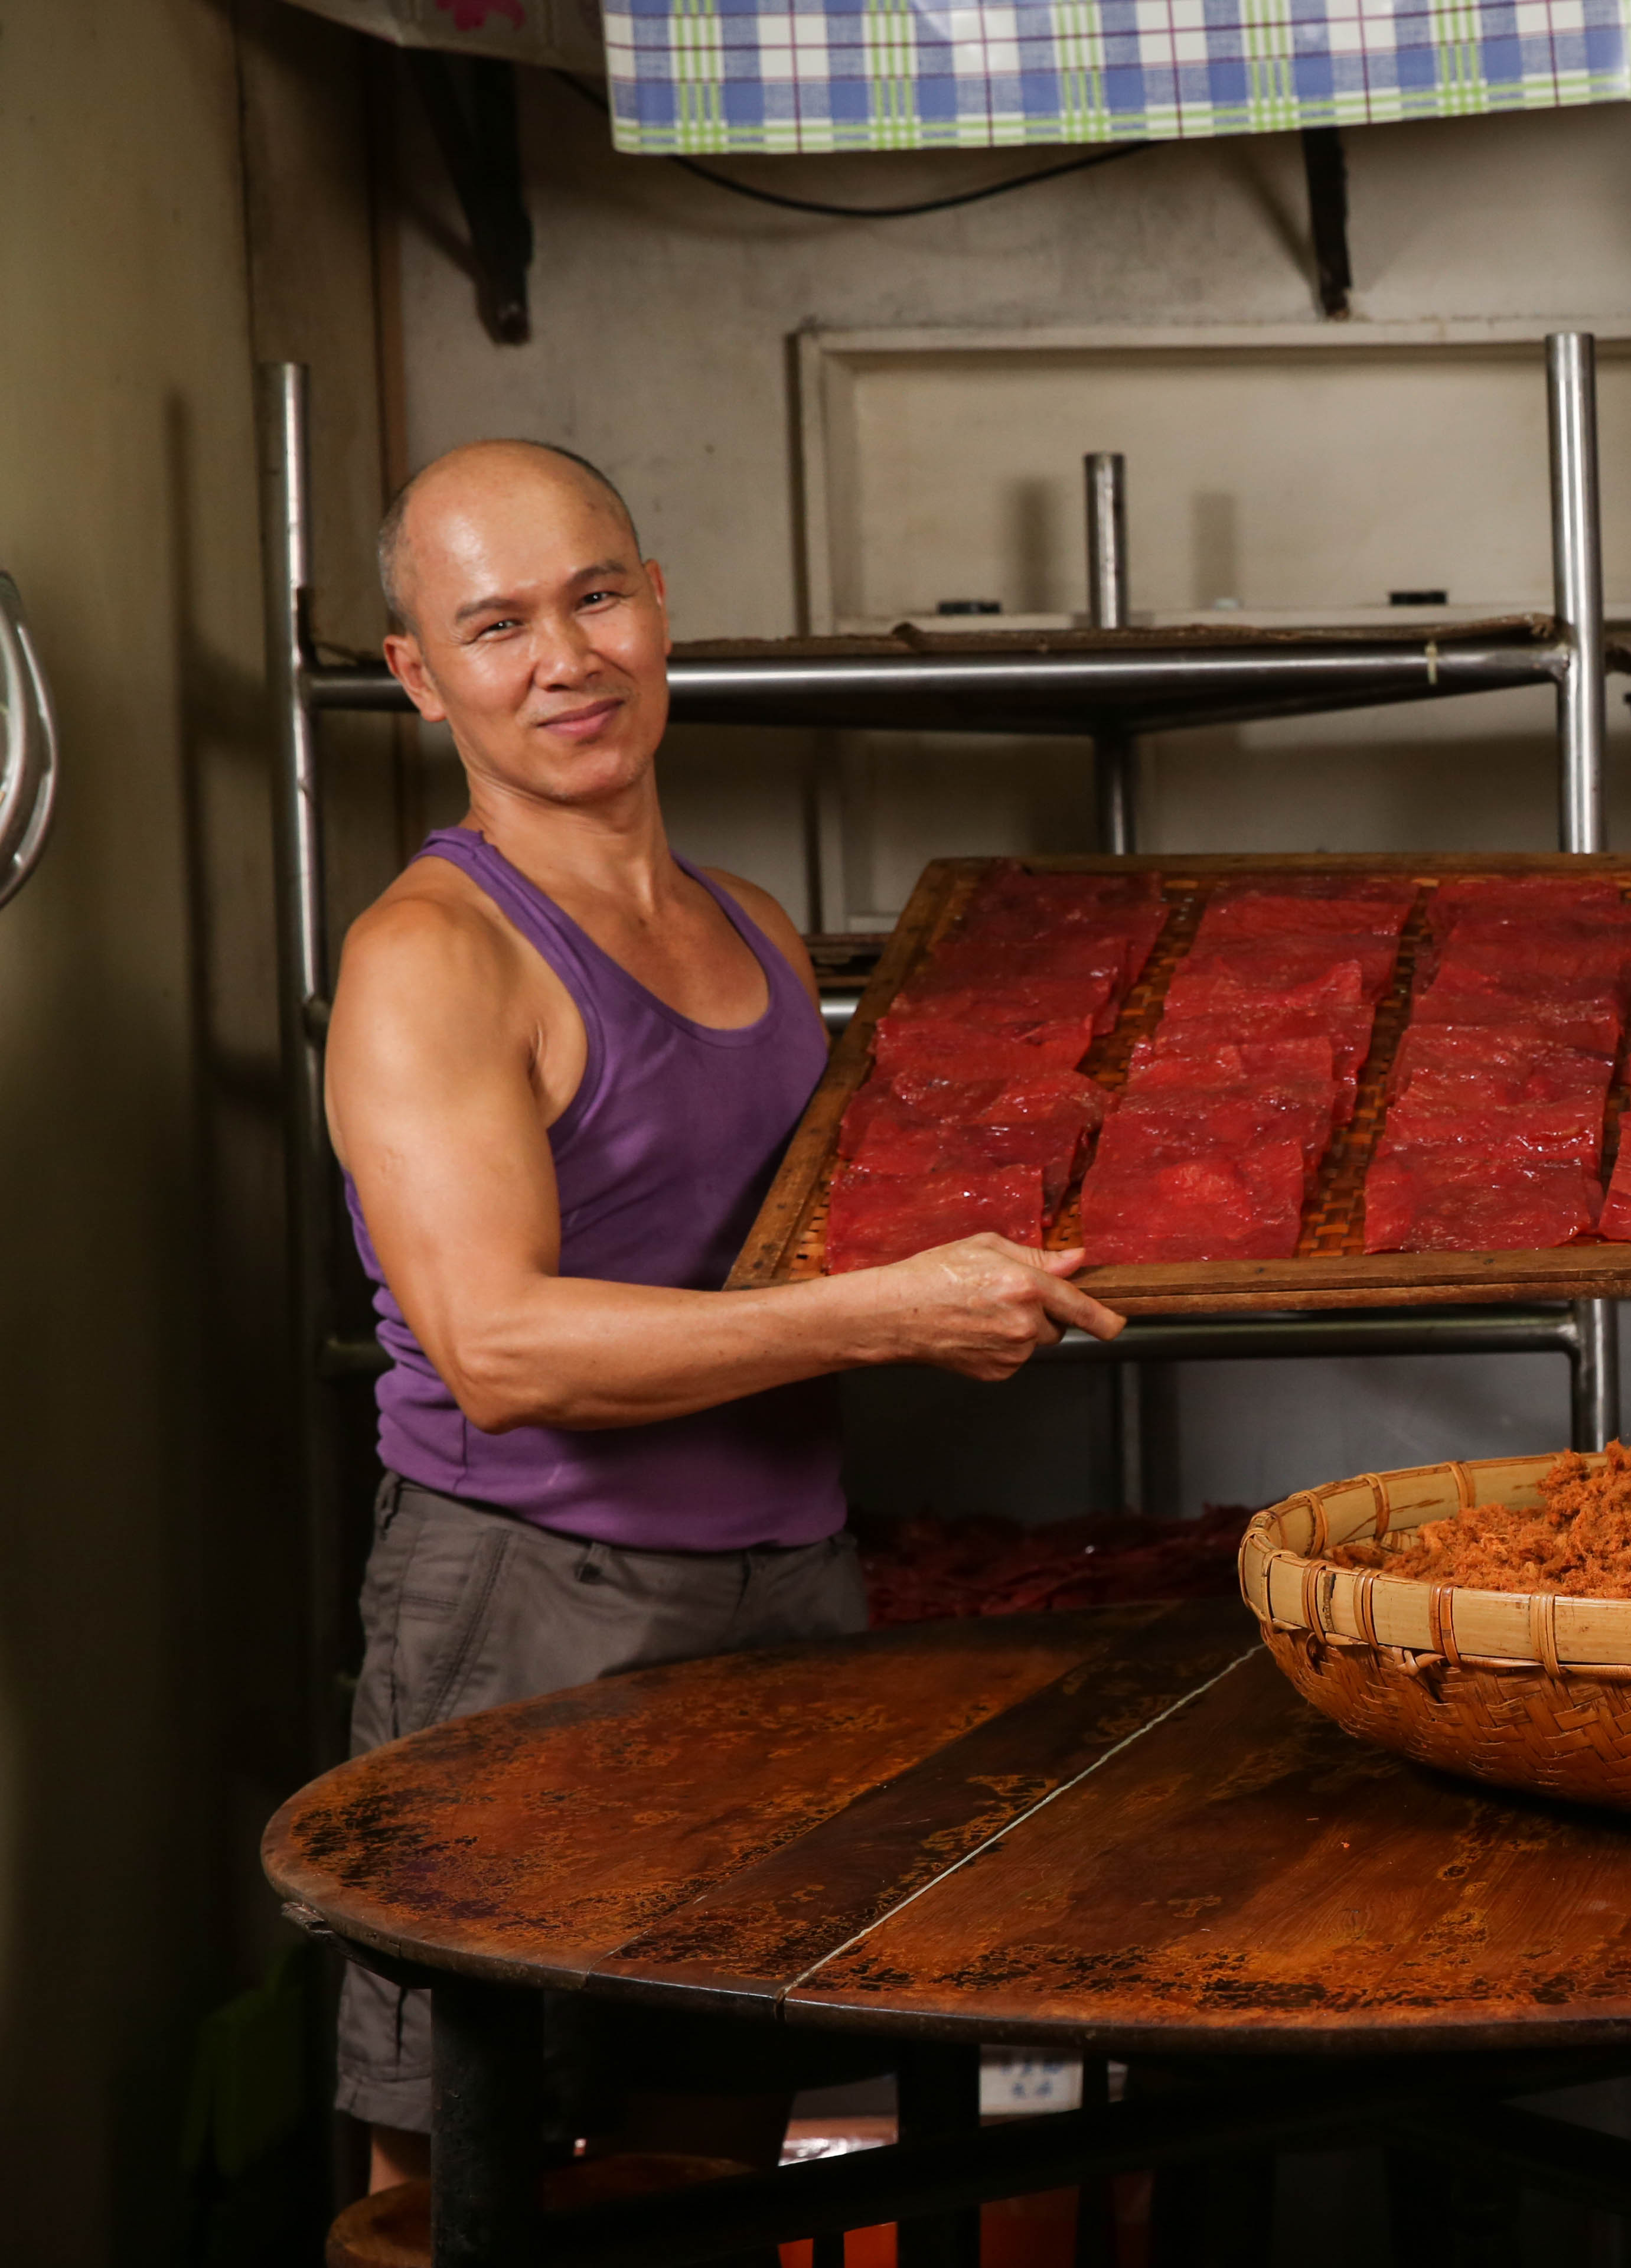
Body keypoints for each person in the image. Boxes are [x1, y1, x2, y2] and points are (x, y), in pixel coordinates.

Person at [325, 439, 1124, 2186]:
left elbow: (813, 1245)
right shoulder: (432, 957)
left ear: (660, 605)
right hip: (534, 1600)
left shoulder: (751, 926)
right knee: (457, 2164)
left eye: (596, 597)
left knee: (710, 2146)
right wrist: (884, 1317)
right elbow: (499, 1352)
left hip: (788, 1591)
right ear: (420, 676)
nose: (566, 659)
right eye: (497, 625)